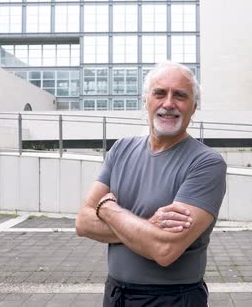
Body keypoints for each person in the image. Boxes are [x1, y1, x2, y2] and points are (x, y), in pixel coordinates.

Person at [75, 61, 227, 306]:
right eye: (159, 93)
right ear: (146, 100)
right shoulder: (121, 149)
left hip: (173, 300)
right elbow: (83, 222)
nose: (168, 103)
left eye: (180, 95)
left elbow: (164, 249)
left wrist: (107, 208)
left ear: (194, 107)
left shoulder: (206, 163)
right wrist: (147, 227)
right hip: (115, 295)